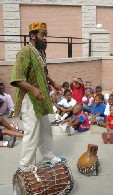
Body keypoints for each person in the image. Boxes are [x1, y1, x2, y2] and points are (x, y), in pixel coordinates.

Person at [10, 22, 64, 169]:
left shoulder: (41, 52)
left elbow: (44, 74)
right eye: (42, 35)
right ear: (33, 36)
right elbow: (17, 77)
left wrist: (53, 83)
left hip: (41, 98)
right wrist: (33, 89)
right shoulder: (25, 52)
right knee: (32, 132)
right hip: (29, 99)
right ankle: (25, 165)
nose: (45, 38)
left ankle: (48, 157)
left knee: (46, 128)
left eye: (46, 35)